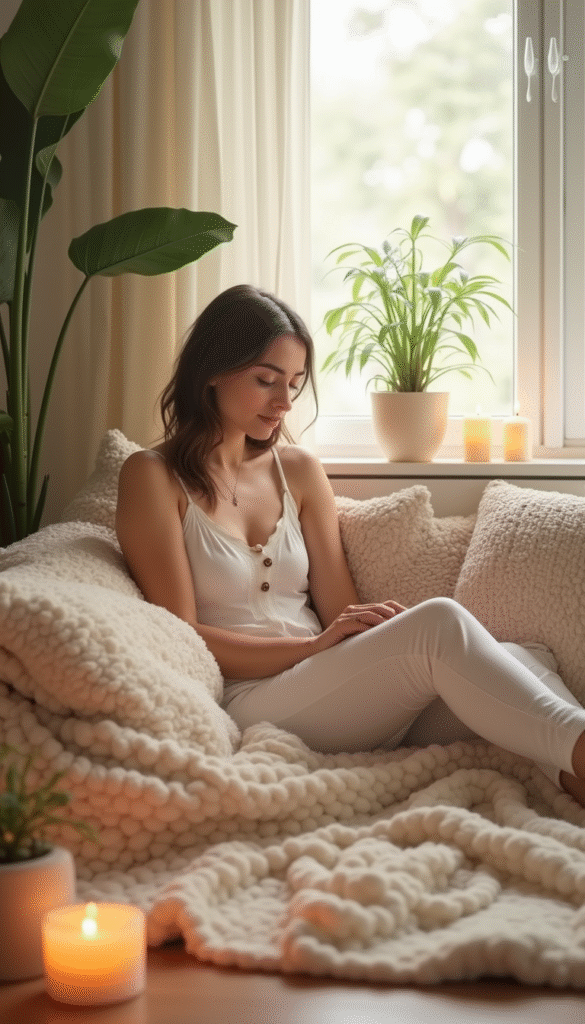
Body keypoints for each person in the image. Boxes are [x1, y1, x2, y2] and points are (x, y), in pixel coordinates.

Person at [116, 283, 585, 807]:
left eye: (294, 383)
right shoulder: (151, 476)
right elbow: (182, 636)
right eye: (266, 380)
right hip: (253, 699)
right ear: (212, 373)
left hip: (333, 687)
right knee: (440, 625)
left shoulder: (297, 470)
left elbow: (340, 608)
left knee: (525, 658)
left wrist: (378, 633)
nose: (284, 401)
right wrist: (312, 648)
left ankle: (573, 780)